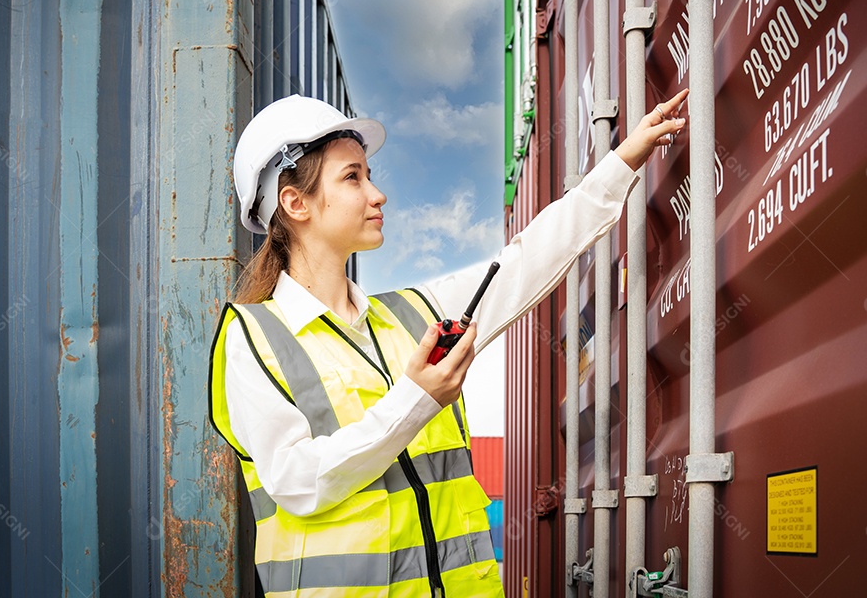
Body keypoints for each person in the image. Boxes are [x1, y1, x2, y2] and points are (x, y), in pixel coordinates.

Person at [209, 89, 689, 597]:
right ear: (295, 203)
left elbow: (522, 263)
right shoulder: (251, 337)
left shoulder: (414, 314)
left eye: (369, 175)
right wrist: (416, 400)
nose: (377, 194)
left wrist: (622, 160)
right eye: (353, 177)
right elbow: (298, 482)